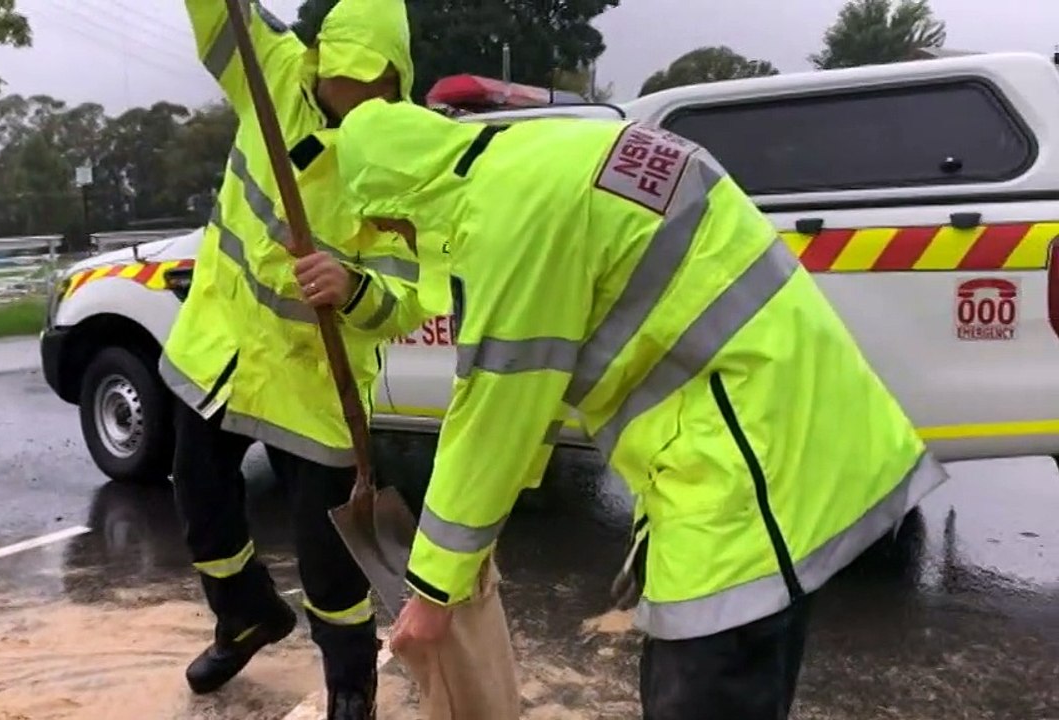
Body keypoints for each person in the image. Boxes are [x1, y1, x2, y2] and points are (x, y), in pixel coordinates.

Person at [333, 98, 952, 719]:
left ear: (399, 198)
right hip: (790, 433)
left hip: (743, 471)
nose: (399, 241)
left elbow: (497, 407)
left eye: (389, 227)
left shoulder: (505, 217)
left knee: (702, 687)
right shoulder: (547, 156)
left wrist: (436, 588)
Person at [161, 2, 441, 717]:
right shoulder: (273, 75)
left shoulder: (404, 157)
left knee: (331, 556)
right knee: (200, 496)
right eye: (344, 88)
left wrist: (355, 289)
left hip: (319, 382)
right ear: (319, 64)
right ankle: (246, 615)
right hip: (222, 348)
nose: (357, 110)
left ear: (396, 84)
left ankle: (352, 686)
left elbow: (414, 293)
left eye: (375, 94)